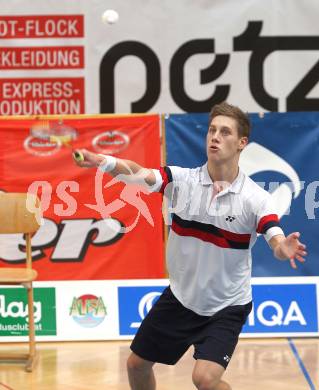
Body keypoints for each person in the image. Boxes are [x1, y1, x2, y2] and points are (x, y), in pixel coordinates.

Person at [73, 102, 307, 390]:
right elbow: (138, 173)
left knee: (205, 379)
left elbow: (274, 234)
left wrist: (282, 247)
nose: (215, 137)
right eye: (211, 130)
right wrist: (102, 160)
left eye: (224, 132)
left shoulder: (255, 199)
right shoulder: (181, 181)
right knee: (136, 365)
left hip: (226, 305)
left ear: (241, 143)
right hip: (182, 298)